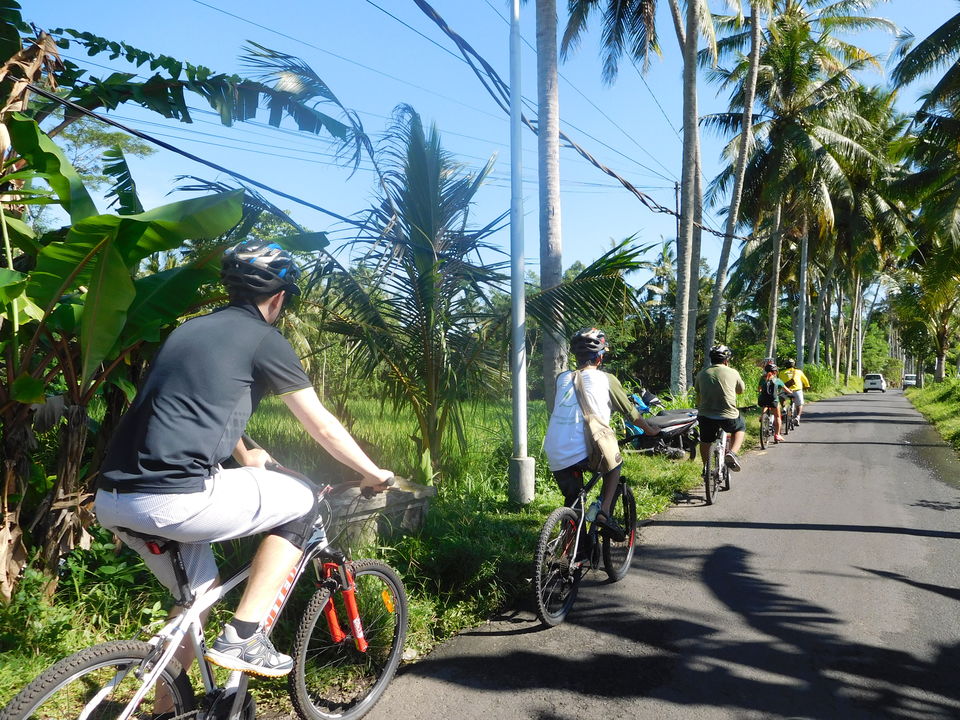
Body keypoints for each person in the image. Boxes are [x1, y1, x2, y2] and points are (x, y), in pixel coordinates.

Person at [95, 240, 394, 679]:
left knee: (196, 599)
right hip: (176, 498)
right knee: (303, 500)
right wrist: (373, 473)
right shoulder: (264, 339)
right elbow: (323, 426)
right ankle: (244, 636)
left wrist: (246, 451)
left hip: (113, 497)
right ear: (279, 298)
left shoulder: (189, 330)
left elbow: (197, 404)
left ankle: (167, 707)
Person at [543, 327, 659, 541]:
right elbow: (631, 414)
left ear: (576, 356)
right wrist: (651, 430)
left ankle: (572, 553)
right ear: (600, 357)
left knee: (573, 500)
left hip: (555, 449)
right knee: (614, 465)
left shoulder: (562, 378)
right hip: (585, 449)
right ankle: (604, 513)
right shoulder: (606, 379)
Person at [694, 345, 746, 471]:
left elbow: (698, 391)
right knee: (740, 427)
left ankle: (706, 467)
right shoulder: (733, 372)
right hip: (728, 416)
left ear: (711, 359)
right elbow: (741, 390)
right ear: (726, 360)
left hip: (706, 416)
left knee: (705, 440)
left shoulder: (702, 373)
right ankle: (732, 453)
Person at [757, 362, 791, 442]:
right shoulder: (777, 380)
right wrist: (790, 392)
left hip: (763, 400)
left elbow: (759, 389)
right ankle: (777, 435)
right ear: (775, 372)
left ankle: (762, 417)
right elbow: (786, 390)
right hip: (773, 401)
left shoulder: (762, 379)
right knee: (778, 417)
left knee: (765, 406)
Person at [779, 358, 810, 423]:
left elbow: (779, 382)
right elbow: (805, 380)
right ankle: (797, 417)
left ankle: (784, 408)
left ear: (785, 365)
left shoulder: (781, 372)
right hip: (797, 390)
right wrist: (807, 386)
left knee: (781, 397)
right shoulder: (799, 371)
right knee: (799, 404)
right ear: (793, 364)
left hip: (786, 390)